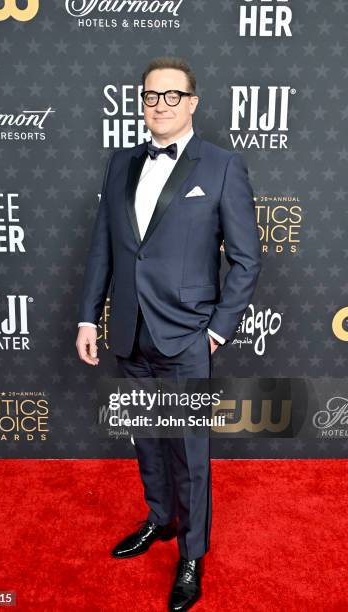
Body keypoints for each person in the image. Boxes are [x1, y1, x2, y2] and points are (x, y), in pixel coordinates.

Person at [76, 56, 261, 611]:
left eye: (172, 96)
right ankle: (159, 518)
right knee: (148, 442)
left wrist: (217, 332)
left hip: (186, 339)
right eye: (151, 96)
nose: (160, 105)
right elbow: (105, 249)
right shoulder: (120, 163)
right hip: (129, 333)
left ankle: (191, 554)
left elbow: (247, 260)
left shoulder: (222, 166)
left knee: (190, 453)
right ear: (142, 102)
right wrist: (90, 317)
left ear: (193, 103)